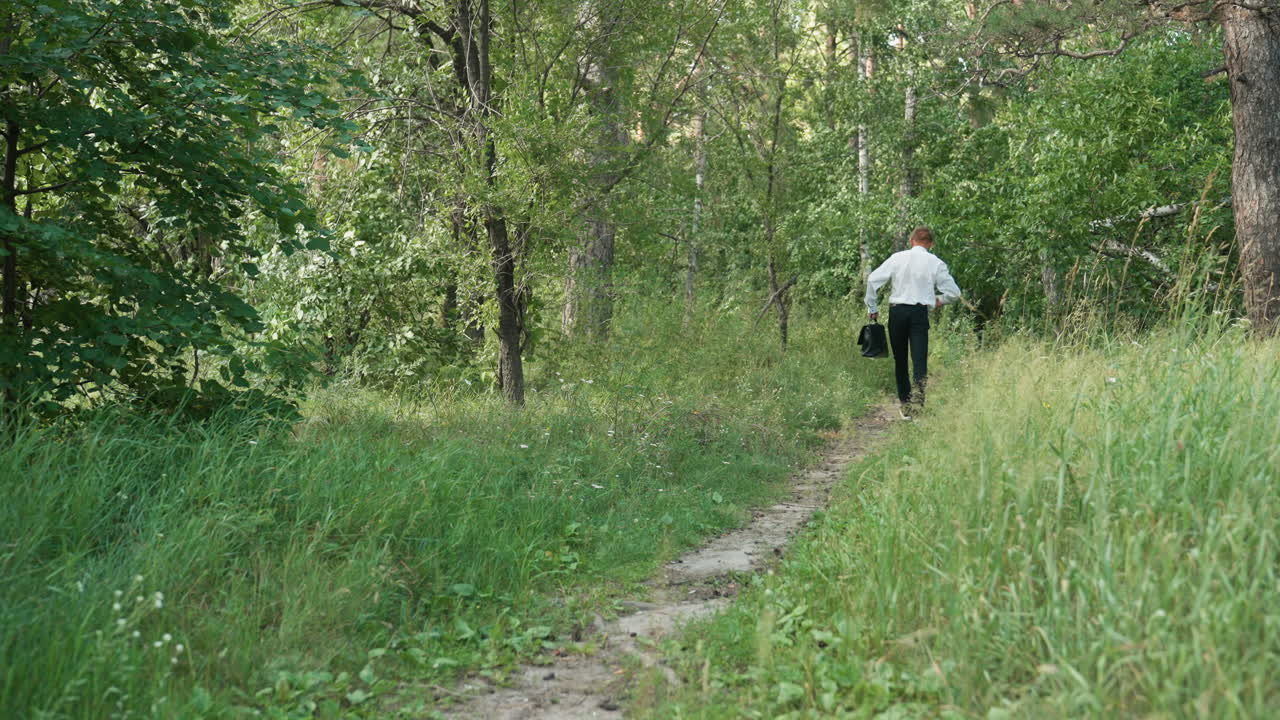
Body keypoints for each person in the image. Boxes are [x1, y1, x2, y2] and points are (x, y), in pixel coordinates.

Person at [865, 226, 962, 420]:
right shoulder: (935, 263)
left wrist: (872, 308)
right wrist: (938, 300)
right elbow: (954, 293)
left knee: (900, 360)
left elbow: (872, 279)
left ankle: (905, 406)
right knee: (919, 361)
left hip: (897, 312)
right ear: (931, 244)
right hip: (919, 314)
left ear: (911, 241)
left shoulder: (897, 258)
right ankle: (918, 406)